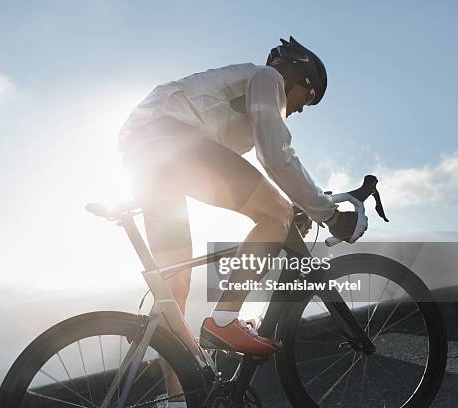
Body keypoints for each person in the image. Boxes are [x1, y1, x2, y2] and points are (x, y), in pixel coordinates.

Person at [118, 36, 364, 407]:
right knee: (274, 212)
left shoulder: (241, 107)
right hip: (168, 137)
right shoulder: (267, 78)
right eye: (307, 99)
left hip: (146, 151)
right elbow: (276, 155)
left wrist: (290, 205)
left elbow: (243, 174)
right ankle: (224, 318)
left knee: (174, 290)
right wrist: (326, 213)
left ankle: (178, 400)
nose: (299, 110)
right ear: (297, 78)